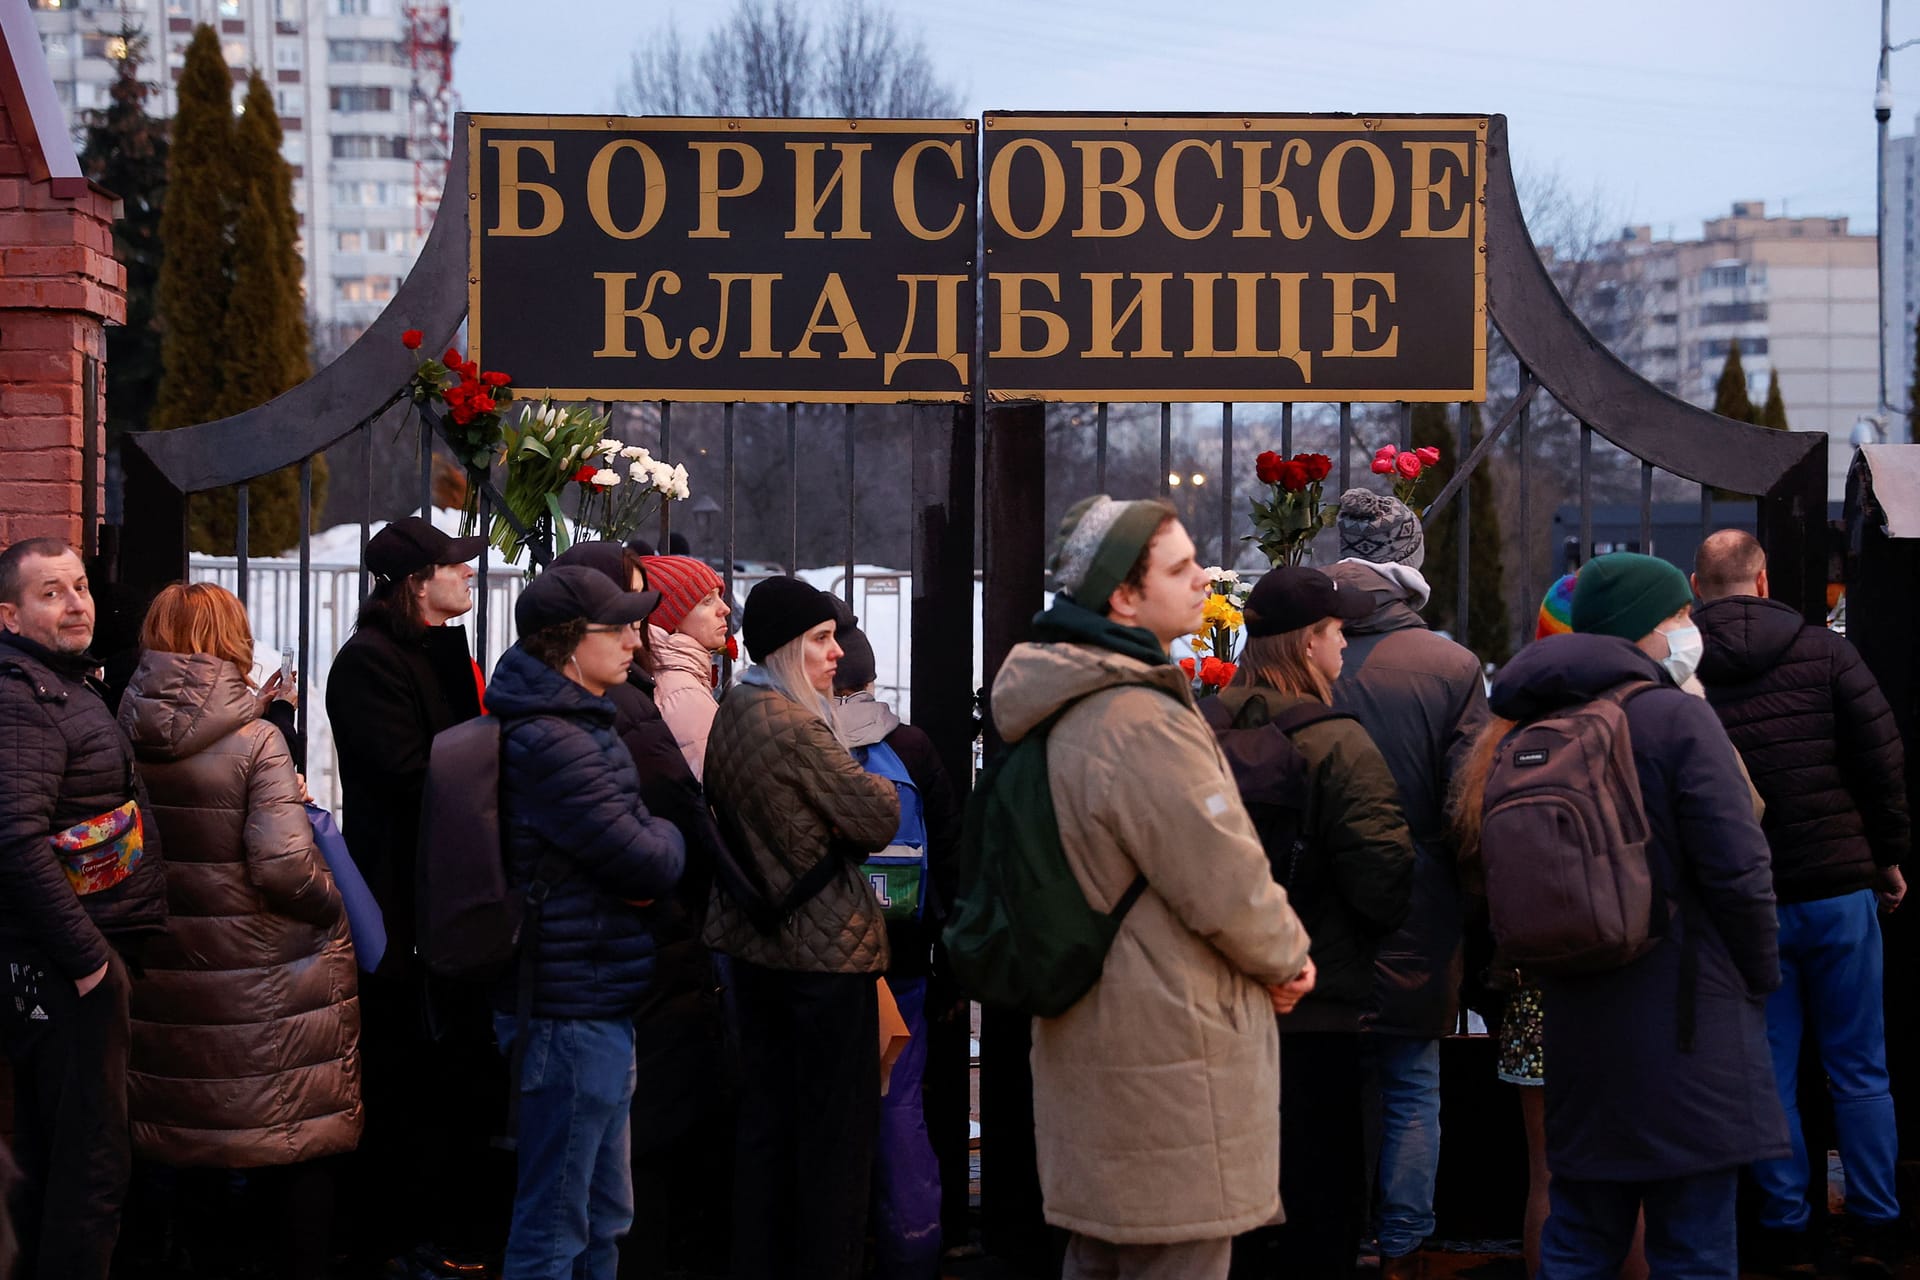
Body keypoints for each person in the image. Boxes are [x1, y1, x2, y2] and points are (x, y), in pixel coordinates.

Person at [988, 496, 1313, 1280]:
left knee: (1104, 1250)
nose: (1203, 577)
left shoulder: (1067, 701)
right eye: (1179, 567)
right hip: (1172, 1042)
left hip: (1100, 1030)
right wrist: (1287, 958)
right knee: (1174, 1250)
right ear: (1122, 597)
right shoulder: (1140, 717)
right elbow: (1222, 873)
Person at [1455, 552, 1787, 1279]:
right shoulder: (1674, 720)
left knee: (1579, 1228)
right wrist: (1761, 975)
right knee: (1692, 1243)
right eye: (1679, 616)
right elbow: (1740, 867)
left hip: (1577, 1018)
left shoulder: (1525, 730)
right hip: (1689, 1016)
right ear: (1646, 628)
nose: (1689, 628)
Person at [116, 582, 361, 1280]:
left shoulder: (119, 729)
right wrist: (331, 904)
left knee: (190, 1136)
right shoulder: (256, 742)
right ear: (232, 640)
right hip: (261, 979)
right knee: (294, 1143)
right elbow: (283, 867)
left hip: (168, 970)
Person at [1692, 529, 1910, 1276]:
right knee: (1860, 1066)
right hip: (1841, 887)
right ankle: (1878, 1221)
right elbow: (1880, 757)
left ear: (1698, 584)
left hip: (1749, 898)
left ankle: (1786, 1223)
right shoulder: (1827, 652)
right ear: (1763, 581)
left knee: (1772, 1065)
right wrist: (1885, 854)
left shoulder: (1685, 670)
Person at [485, 565, 687, 1280]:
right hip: (568, 1014)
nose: (636, 639)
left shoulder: (576, 724)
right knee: (557, 1229)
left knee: (602, 1219)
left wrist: (649, 834)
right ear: (569, 644)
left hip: (591, 1000)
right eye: (619, 628)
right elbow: (646, 859)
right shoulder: (559, 742)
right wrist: (668, 835)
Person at [701, 576, 902, 1280]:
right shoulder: (794, 724)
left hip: (758, 948)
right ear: (788, 648)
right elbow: (880, 815)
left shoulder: (736, 708)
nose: (836, 654)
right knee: (833, 1143)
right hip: (821, 962)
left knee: (766, 1129)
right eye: (820, 640)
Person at [1218, 565, 1415, 1280]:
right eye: (1336, 633)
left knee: (1230, 1214)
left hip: (1214, 1005)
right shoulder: (1336, 741)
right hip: (1319, 1006)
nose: (1344, 648)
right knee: (1319, 1206)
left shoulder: (1197, 726)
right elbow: (1383, 877)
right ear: (1307, 645)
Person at [549, 542, 736, 1279]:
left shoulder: (637, 698)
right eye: (623, 617)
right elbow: (676, 824)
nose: (636, 634)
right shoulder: (659, 702)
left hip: (633, 957)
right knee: (606, 1176)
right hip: (630, 956)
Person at [323, 515, 499, 1273]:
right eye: (453, 566)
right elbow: (408, 769)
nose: (466, 575)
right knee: (406, 1076)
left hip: (449, 893)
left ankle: (445, 1232)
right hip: (401, 896)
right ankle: (397, 1240)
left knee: (455, 1073)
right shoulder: (368, 661)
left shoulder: (436, 651)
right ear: (413, 584)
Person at [1326, 493, 1489, 1279]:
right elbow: (1469, 803)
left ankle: (1339, 1232)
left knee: (1330, 1079)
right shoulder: (1452, 667)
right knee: (1412, 1078)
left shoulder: (1296, 655)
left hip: (1317, 894)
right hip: (1422, 898)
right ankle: (1403, 1245)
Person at [0, 538, 165, 1280]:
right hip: (67, 968)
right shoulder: (22, 699)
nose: (76, 604)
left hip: (78, 960)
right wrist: (91, 963)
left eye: (79, 587)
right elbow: (14, 840)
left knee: (69, 1166)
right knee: (87, 1171)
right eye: (51, 594)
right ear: (10, 614)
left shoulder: (63, 683)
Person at [829, 604, 963, 1280]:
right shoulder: (910, 747)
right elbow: (950, 845)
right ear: (874, 676)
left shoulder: (802, 741)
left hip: (821, 958)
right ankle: (914, 1246)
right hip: (900, 960)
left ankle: (834, 1247)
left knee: (821, 1105)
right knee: (899, 1102)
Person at [640, 554, 731, 781]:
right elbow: (709, 789)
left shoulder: (677, 678)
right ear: (670, 618)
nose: (725, 609)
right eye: (707, 601)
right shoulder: (683, 694)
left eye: (718, 597)